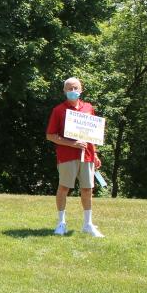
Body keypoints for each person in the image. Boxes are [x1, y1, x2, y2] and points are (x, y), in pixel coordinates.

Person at [46, 77, 104, 237]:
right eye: (69, 88)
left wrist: (95, 153)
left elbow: (92, 134)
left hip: (88, 156)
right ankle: (61, 223)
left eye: (75, 88)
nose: (73, 91)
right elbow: (50, 135)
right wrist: (72, 144)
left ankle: (88, 224)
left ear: (81, 89)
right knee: (64, 188)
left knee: (87, 189)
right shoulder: (58, 110)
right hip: (67, 156)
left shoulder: (88, 108)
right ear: (64, 91)